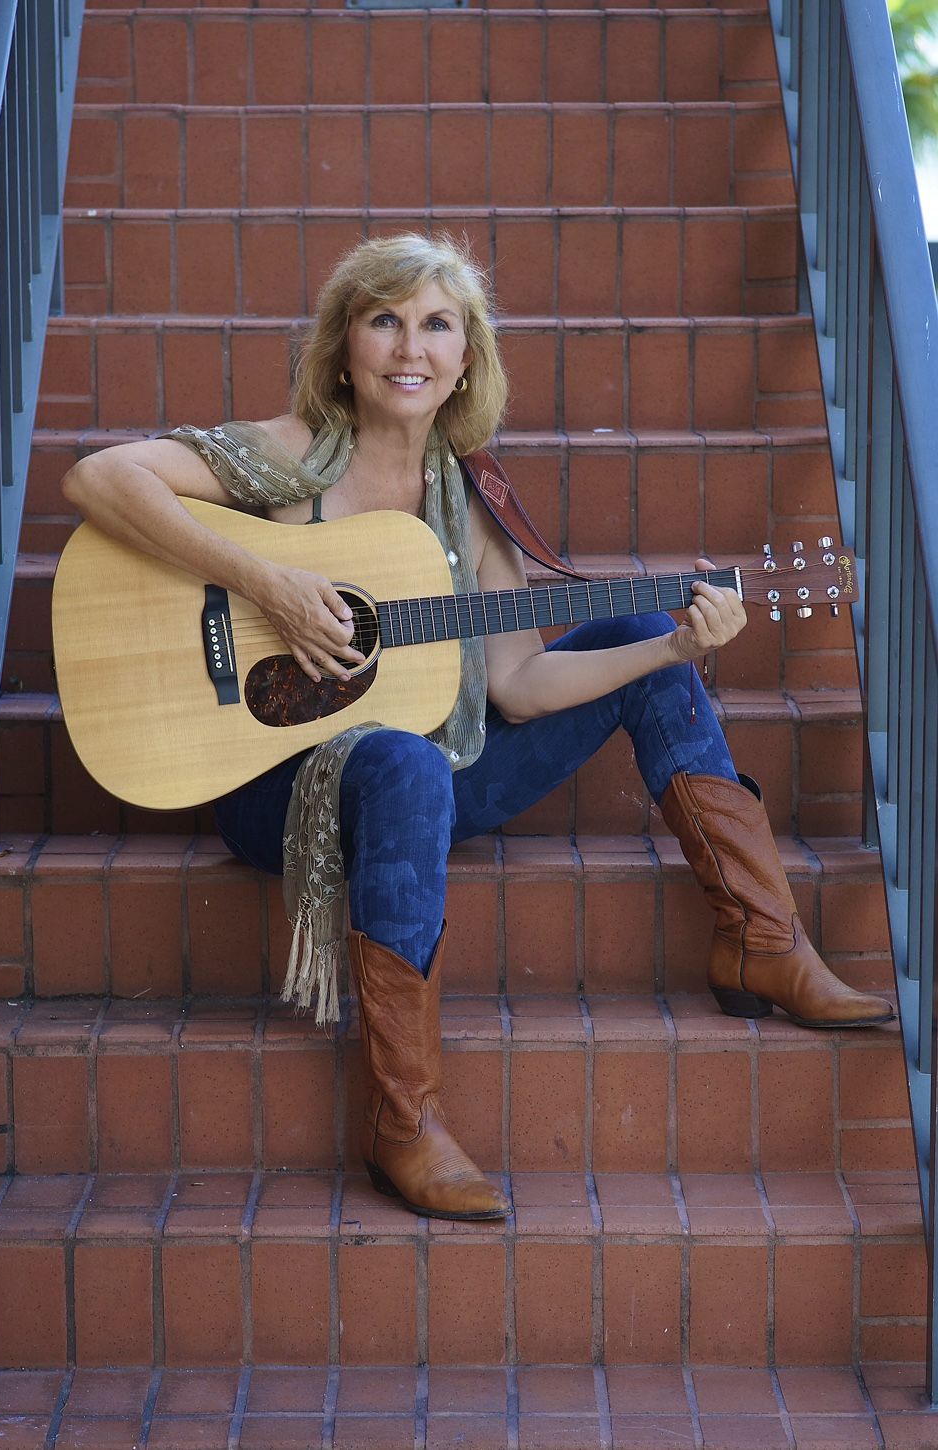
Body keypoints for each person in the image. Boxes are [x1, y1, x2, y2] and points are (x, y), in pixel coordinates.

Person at [61, 232, 893, 1224]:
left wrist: (675, 648)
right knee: (403, 758)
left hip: (428, 772)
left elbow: (521, 684)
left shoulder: (475, 504)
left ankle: (760, 938)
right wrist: (267, 582)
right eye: (385, 320)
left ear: (466, 359)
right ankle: (404, 1121)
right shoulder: (287, 455)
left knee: (634, 633)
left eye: (437, 325)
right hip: (273, 785)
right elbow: (100, 478)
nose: (409, 347)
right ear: (345, 348)